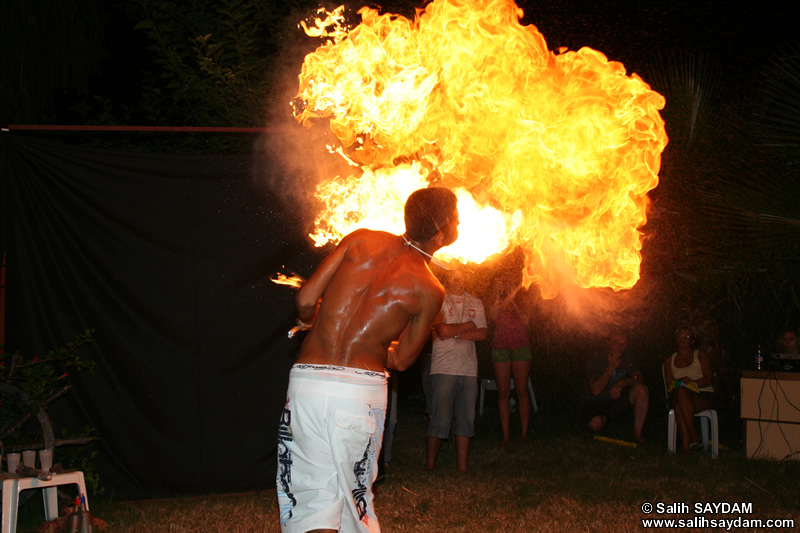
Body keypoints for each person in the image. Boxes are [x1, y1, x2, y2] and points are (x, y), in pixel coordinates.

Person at [276, 187, 459, 533]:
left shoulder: (360, 239)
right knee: (353, 501)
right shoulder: (429, 288)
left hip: (307, 383)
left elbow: (305, 300)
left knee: (314, 501)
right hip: (358, 393)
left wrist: (315, 321)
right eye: (458, 219)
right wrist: (371, 346)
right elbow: (403, 359)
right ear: (441, 233)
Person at [425, 269, 487, 472]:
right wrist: (468, 326)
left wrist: (456, 333)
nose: (459, 280)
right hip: (443, 367)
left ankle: (462, 468)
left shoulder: (475, 301)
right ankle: (430, 465)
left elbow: (482, 334)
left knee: (466, 418)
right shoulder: (439, 299)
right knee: (439, 417)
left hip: (468, 369)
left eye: (462, 276)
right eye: (455, 276)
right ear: (448, 278)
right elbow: (441, 331)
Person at [581, 330, 649, 444]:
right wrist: (610, 368)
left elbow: (639, 378)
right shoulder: (596, 358)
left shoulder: (627, 357)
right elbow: (596, 390)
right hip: (594, 401)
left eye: (624, 343)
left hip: (614, 400)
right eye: (617, 342)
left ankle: (637, 434)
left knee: (642, 390)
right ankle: (598, 420)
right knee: (595, 424)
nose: (621, 347)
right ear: (608, 343)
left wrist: (623, 382)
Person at [488, 276, 532, 445]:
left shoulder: (522, 298)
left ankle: (524, 434)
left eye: (508, 282)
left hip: (521, 346)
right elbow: (492, 316)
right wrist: (500, 297)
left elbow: (526, 320)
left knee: (521, 391)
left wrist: (512, 300)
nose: (505, 284)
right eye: (502, 282)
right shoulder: (496, 298)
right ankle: (506, 437)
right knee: (503, 392)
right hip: (500, 347)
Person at [662, 326, 715, 453]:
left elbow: (708, 379)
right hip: (681, 394)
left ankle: (689, 443)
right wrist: (680, 383)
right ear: (676, 339)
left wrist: (691, 383)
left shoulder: (700, 355)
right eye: (680, 336)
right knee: (680, 394)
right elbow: (669, 384)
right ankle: (693, 439)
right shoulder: (669, 360)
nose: (683, 339)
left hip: (702, 393)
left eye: (687, 336)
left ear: (692, 341)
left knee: (680, 405)